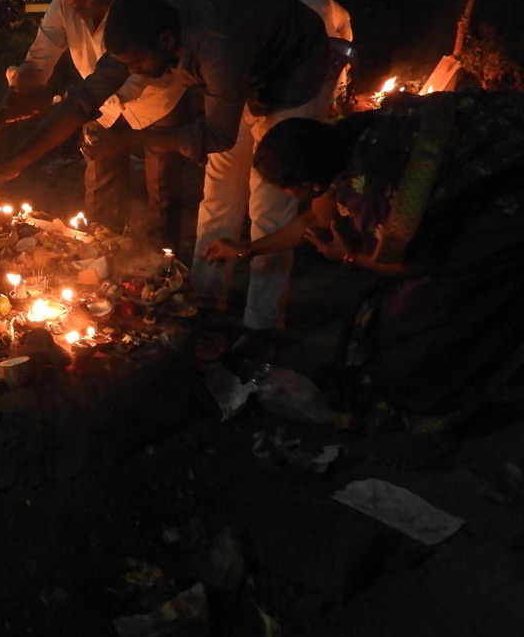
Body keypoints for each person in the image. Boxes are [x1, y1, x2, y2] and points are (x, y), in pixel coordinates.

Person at [0, 0, 333, 348]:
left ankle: (263, 327)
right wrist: (17, 161)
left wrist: (127, 139)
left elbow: (218, 135)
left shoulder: (214, 47)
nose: (132, 71)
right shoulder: (140, 33)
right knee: (218, 194)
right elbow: (80, 102)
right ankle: (204, 303)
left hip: (291, 74)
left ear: (167, 42)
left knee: (269, 202)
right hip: (244, 75)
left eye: (137, 63)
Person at [204, 90, 524, 439]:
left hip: (506, 198)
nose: (287, 198)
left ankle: (431, 407)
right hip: (499, 131)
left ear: (309, 184)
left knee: (431, 314)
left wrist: (347, 257)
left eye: (287, 190)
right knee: (390, 309)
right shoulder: (338, 136)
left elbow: (417, 265)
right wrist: (247, 249)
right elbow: (316, 219)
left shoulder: (375, 194)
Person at [0, 0, 191, 249]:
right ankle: (101, 257)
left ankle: (163, 272)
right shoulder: (67, 1)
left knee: (161, 189)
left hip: (156, 100)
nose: (75, 2)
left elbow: (134, 78)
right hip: (97, 102)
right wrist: (4, 112)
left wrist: (72, 107)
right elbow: (38, 62)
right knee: (101, 184)